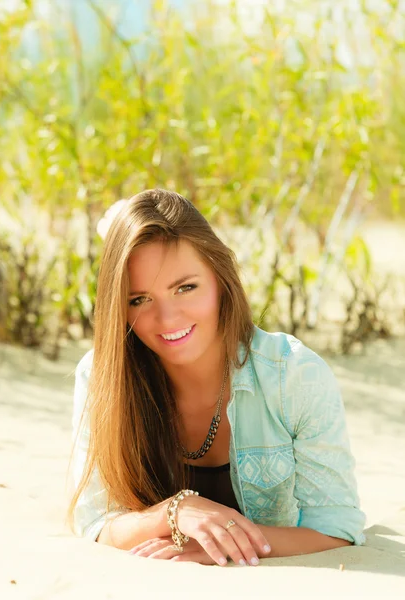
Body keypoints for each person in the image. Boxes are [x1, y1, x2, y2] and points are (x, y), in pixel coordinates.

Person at [67, 188, 366, 567]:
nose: (167, 318)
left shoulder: (294, 376)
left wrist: (222, 544)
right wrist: (177, 511)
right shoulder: (101, 377)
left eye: (185, 288)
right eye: (139, 299)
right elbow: (94, 520)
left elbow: (336, 528)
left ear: (220, 280)